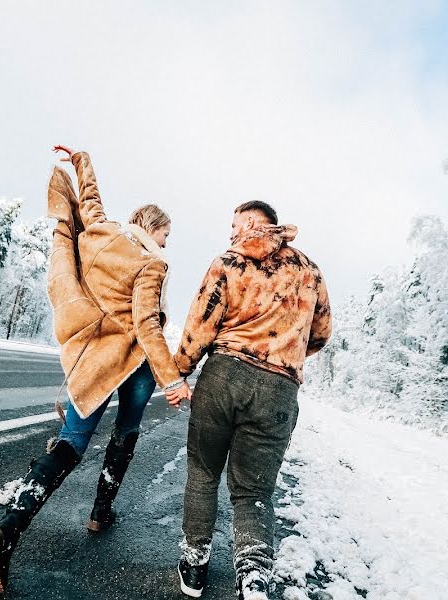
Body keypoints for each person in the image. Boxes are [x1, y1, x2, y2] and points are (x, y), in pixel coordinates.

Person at [0, 146, 192, 593]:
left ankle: (9, 531)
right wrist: (172, 378)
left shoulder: (99, 230)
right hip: (133, 362)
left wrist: (81, 160)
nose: (166, 244)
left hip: (91, 358)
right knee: (126, 433)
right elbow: (147, 324)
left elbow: (90, 200)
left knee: (71, 443)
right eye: (166, 235)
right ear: (152, 229)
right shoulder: (152, 262)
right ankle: (100, 512)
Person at [170, 200, 331, 599]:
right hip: (279, 389)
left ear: (255, 223)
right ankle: (254, 578)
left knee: (204, 471)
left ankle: (194, 565)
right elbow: (322, 333)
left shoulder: (229, 262)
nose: (230, 234)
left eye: (235, 225)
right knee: (254, 491)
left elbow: (200, 324)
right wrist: (285, 354)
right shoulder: (310, 271)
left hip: (224, 375)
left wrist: (180, 370)